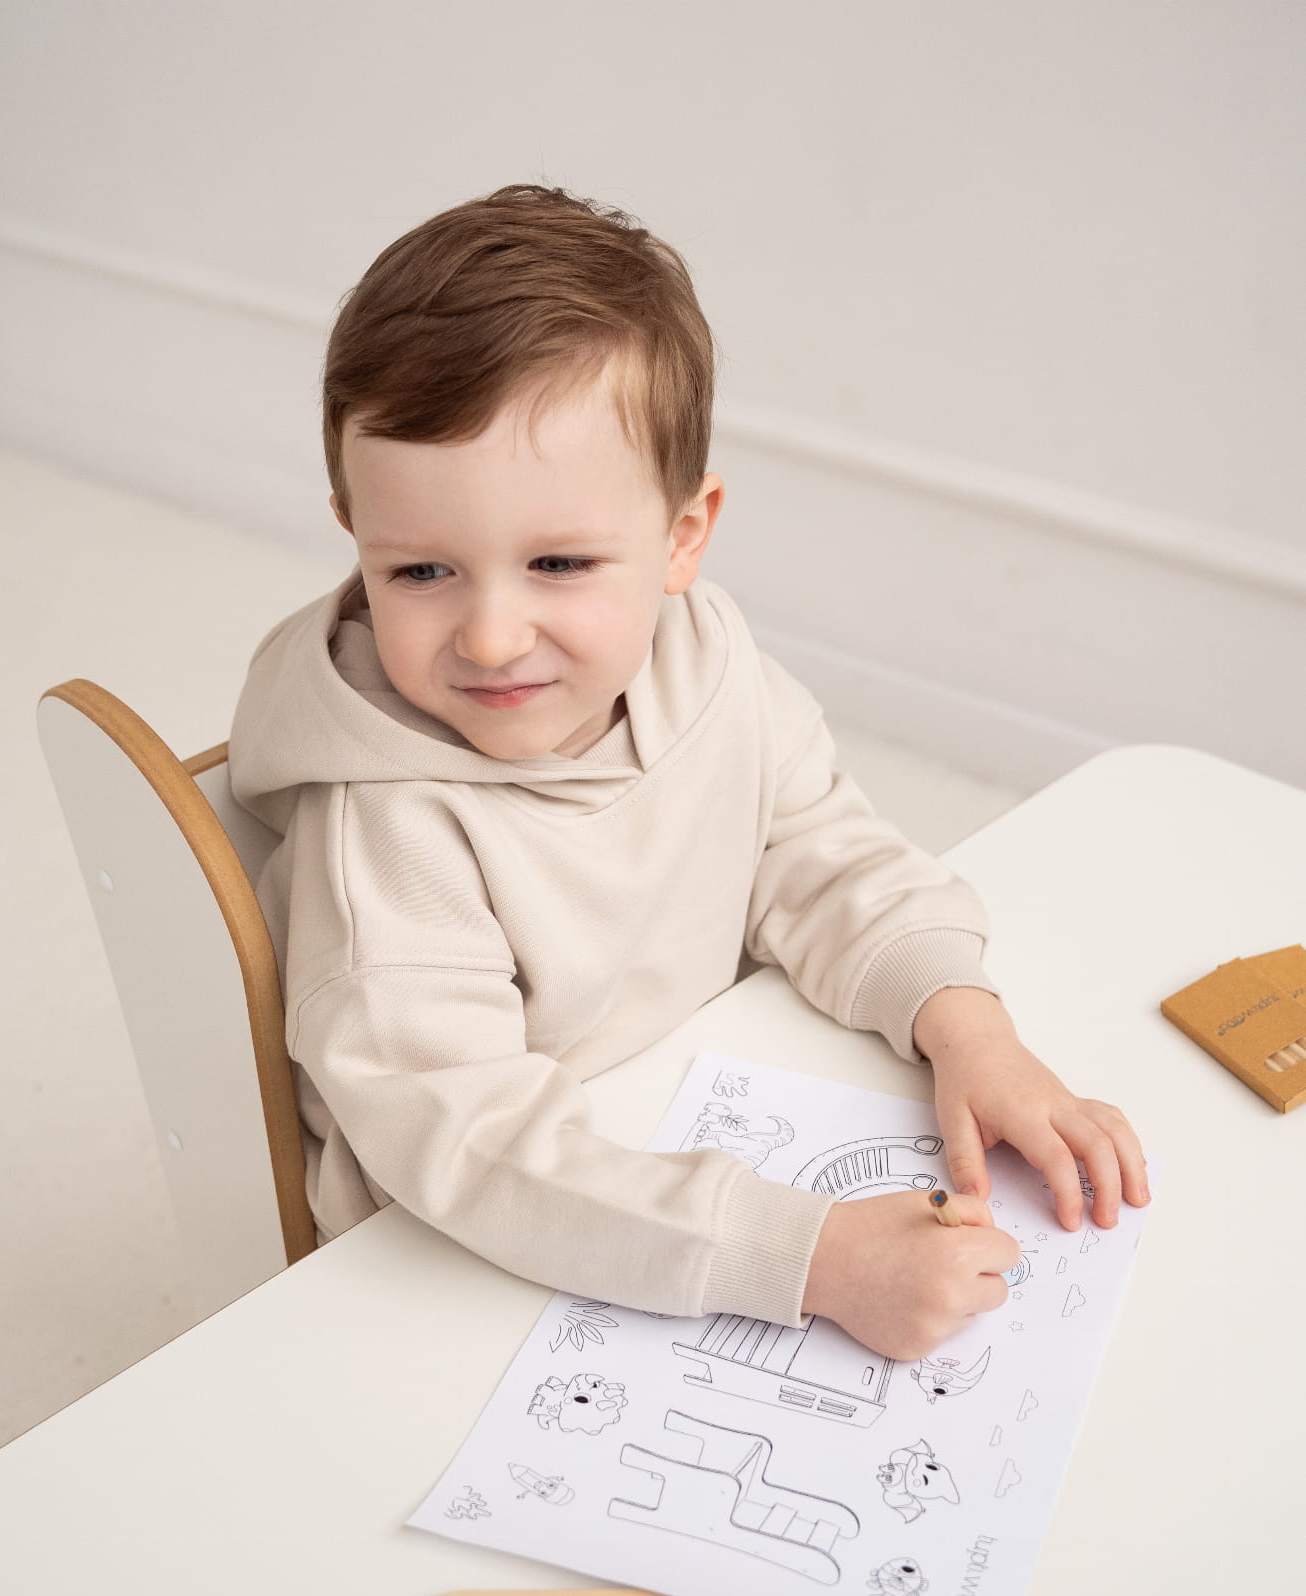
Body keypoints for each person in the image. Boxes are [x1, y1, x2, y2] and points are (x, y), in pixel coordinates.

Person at [229, 183, 1149, 1362]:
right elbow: (473, 1147)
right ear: (356, 531)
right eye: (420, 573)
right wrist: (808, 1256)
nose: (494, 635)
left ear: (682, 537)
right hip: (464, 1255)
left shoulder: (707, 660)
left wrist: (965, 1026)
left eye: (557, 561)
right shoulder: (389, 831)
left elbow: (813, 847)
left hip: (683, 1136)